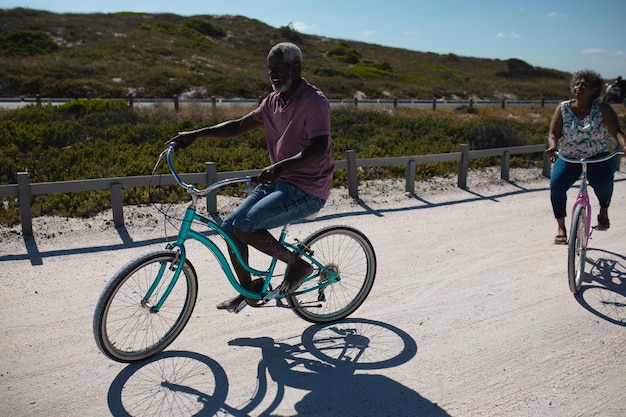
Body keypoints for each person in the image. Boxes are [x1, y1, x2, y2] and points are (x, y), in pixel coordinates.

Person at [172, 42, 335, 311]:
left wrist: (279, 167)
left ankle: (298, 265)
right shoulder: (272, 102)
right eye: (270, 70)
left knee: (246, 225)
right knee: (229, 227)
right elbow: (237, 126)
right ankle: (249, 291)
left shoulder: (314, 101)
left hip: (307, 188)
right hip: (280, 182)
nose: (273, 75)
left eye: (279, 69)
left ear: (296, 67)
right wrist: (195, 134)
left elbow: (318, 149)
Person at [545, 69, 626, 245]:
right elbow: (553, 133)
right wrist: (553, 146)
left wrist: (625, 145)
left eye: (584, 84)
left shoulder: (603, 109)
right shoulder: (563, 108)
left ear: (594, 90)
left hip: (599, 157)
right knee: (556, 186)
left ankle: (603, 211)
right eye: (577, 83)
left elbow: (616, 132)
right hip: (569, 157)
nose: (579, 86)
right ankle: (561, 227)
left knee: (604, 185)